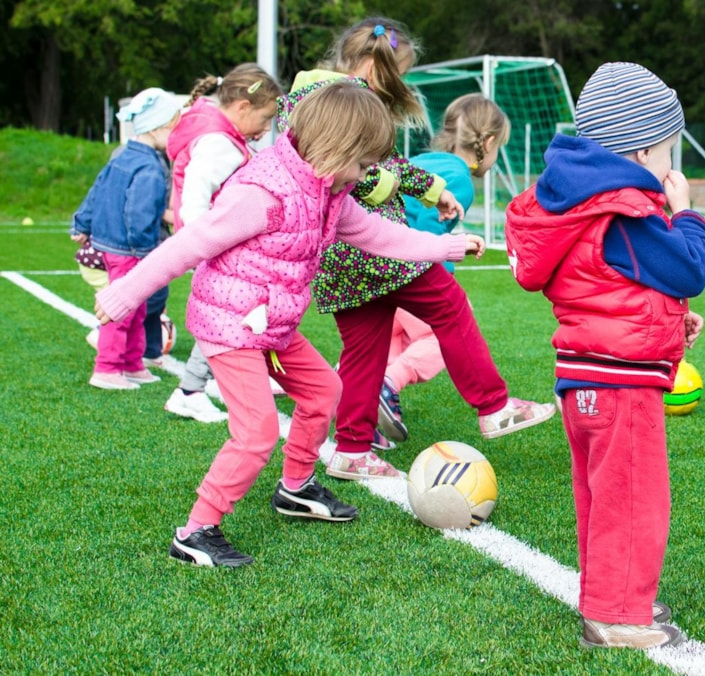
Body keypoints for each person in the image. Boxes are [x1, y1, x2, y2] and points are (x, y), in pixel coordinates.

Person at [93, 81, 485, 568]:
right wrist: (125, 293)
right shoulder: (262, 192)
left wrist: (445, 246)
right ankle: (195, 532)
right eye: (364, 165)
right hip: (231, 325)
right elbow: (189, 244)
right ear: (336, 148)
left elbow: (376, 234)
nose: (368, 176)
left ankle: (295, 488)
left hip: (272, 325)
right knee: (256, 432)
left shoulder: (330, 190)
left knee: (325, 391)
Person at [278, 17, 554, 483]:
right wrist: (395, 191)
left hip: (338, 258)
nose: (398, 85)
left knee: (366, 348)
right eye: (396, 74)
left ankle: (351, 449)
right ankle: (493, 405)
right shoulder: (339, 100)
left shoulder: (312, 95)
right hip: (373, 247)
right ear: (371, 65)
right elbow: (354, 172)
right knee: (449, 305)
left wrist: (433, 191)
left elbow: (385, 162)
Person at [504, 62, 705, 649]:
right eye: (670, 149)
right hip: (620, 386)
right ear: (644, 149)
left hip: (586, 377)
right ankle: (617, 616)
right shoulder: (625, 211)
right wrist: (687, 213)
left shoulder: (581, 204)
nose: (673, 165)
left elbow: (610, 286)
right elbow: (688, 267)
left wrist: (671, 323)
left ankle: (611, 596)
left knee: (603, 497)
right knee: (633, 500)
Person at [378, 93, 512, 444]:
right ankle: (388, 385)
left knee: (388, 341)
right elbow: (425, 232)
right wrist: (445, 274)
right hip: (403, 269)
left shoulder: (424, 160)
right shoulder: (460, 180)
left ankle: (354, 395)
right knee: (446, 329)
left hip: (373, 267)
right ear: (488, 142)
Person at [161, 63, 284, 424]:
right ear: (243, 108)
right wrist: (207, 243)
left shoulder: (220, 135)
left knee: (235, 314)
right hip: (217, 248)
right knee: (229, 316)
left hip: (218, 245)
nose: (265, 131)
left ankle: (203, 384)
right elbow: (196, 199)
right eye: (264, 119)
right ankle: (190, 390)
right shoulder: (219, 144)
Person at [71, 87, 182, 390]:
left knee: (138, 306)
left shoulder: (123, 154)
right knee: (122, 308)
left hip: (115, 244)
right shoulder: (148, 166)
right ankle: (107, 368)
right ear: (158, 128)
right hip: (130, 249)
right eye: (174, 127)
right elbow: (139, 212)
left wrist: (82, 222)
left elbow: (97, 188)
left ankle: (132, 363)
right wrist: (147, 252)